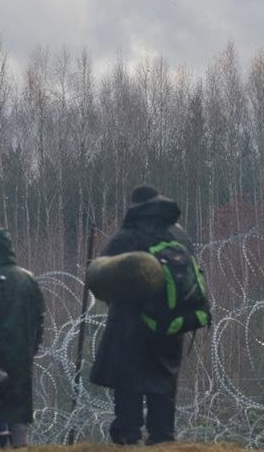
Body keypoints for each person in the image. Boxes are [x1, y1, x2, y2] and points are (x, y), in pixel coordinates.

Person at [89, 186, 191, 445]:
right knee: (164, 381)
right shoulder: (179, 234)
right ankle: (163, 437)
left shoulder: (127, 235)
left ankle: (127, 435)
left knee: (129, 381)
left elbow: (100, 277)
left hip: (130, 322)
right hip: (171, 322)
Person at [0, 228, 46, 448]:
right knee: (17, 406)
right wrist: (32, 346)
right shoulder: (27, 278)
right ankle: (20, 445)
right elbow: (39, 317)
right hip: (19, 353)